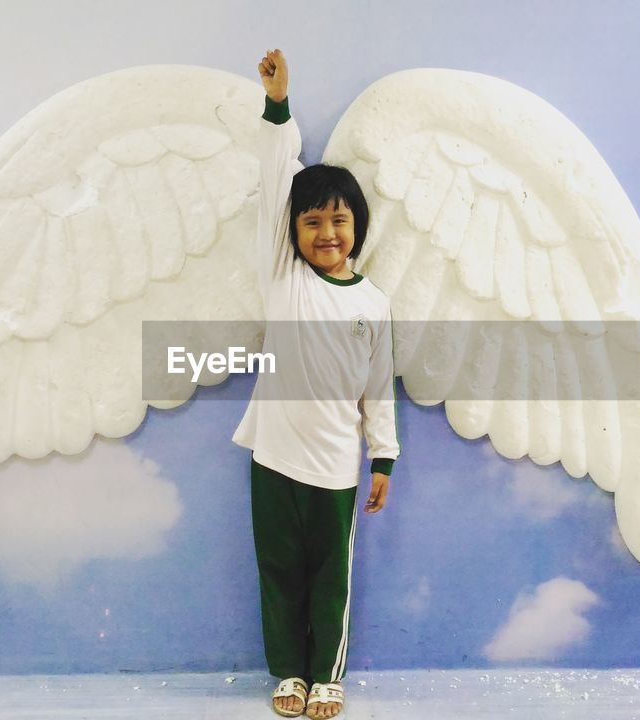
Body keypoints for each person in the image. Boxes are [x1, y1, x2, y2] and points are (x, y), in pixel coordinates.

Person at [232, 48, 400, 720]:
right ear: (295, 233)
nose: (325, 232)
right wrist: (278, 105)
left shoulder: (373, 303)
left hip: (335, 462)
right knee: (278, 574)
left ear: (356, 228)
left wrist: (382, 457)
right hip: (273, 456)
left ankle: (327, 676)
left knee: (330, 578)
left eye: (338, 221)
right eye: (312, 222)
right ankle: (288, 675)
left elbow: (378, 387)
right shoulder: (284, 278)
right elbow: (276, 179)